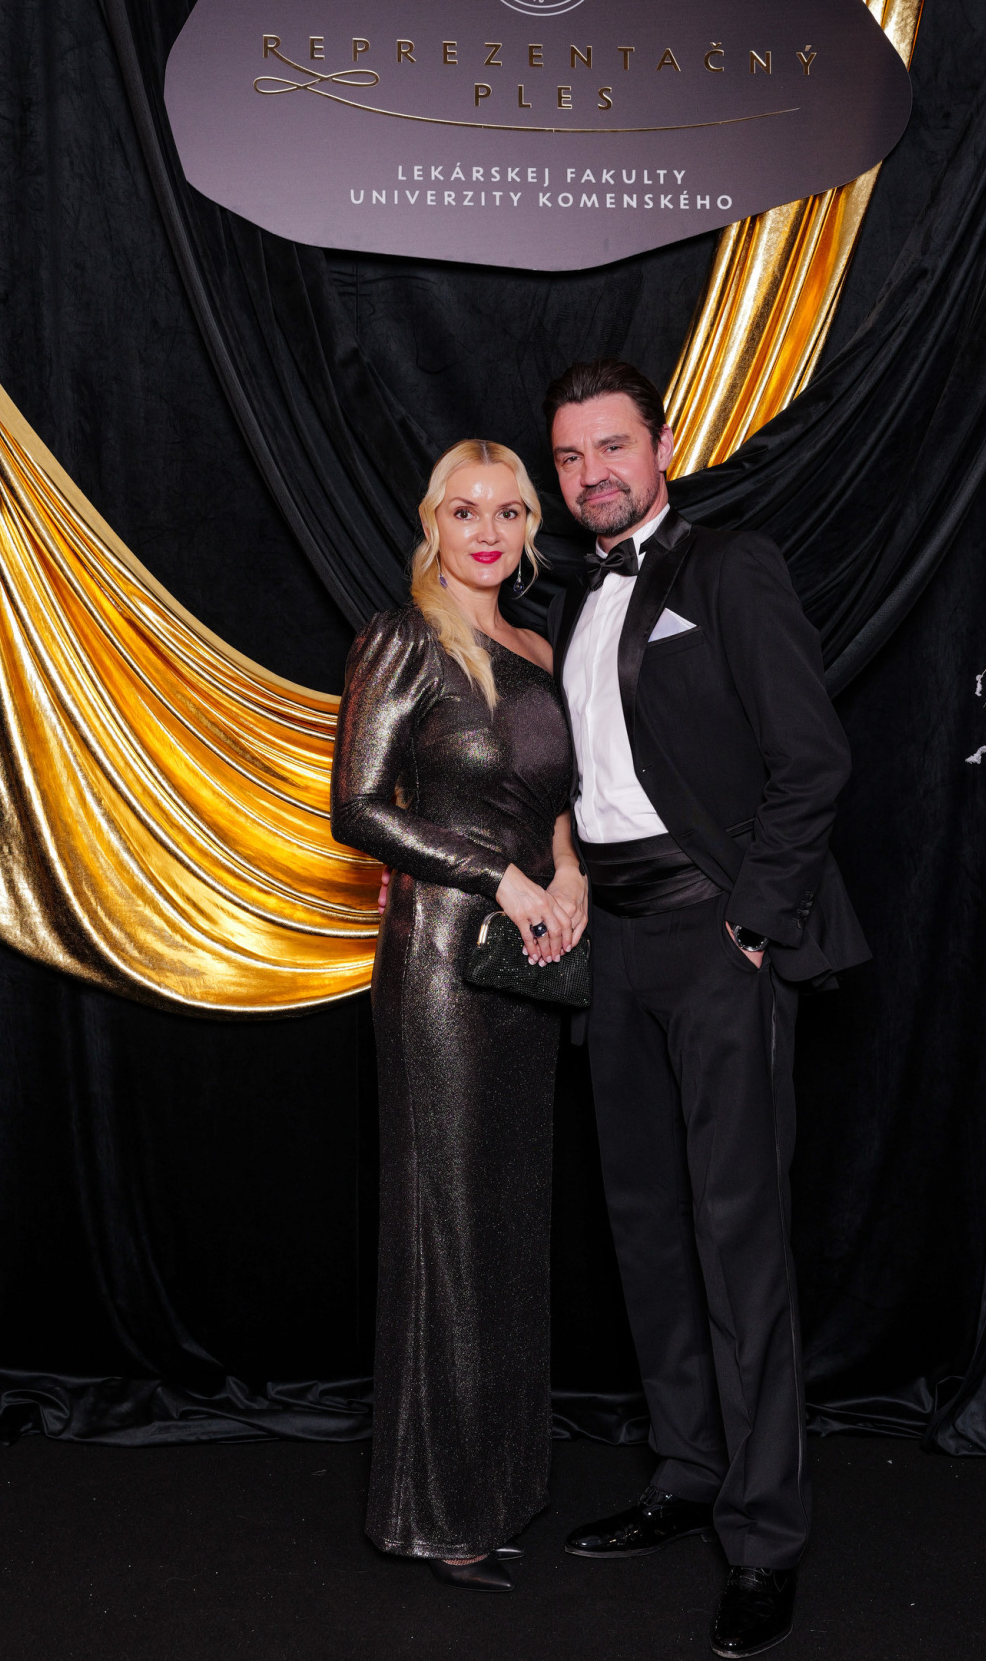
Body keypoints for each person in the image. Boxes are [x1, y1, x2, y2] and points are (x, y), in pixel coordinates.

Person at [544, 359, 869, 1659]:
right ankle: (684, 1475)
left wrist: (753, 921)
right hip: (613, 947)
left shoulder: (731, 568)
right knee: (645, 1228)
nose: (591, 474)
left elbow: (813, 758)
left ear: (662, 447)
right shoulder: (571, 596)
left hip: (713, 936)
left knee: (738, 1238)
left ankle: (765, 1536)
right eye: (570, 457)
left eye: (611, 447)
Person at [331, 438, 587, 1593]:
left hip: (528, 971)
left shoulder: (537, 648)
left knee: (510, 1226)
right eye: (464, 510)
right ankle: (438, 1514)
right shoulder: (403, 639)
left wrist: (568, 873)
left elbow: (551, 800)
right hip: (441, 969)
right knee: (449, 1229)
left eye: (509, 512)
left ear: (530, 529)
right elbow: (357, 809)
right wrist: (501, 877)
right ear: (432, 522)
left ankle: (498, 1490)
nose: (487, 532)